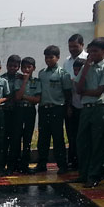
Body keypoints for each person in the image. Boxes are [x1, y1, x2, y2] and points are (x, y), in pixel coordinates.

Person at [75, 38, 104, 187]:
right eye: (90, 51)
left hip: (100, 107)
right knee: (82, 141)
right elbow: (78, 88)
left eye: (96, 51)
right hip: (86, 107)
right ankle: (83, 173)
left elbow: (99, 91)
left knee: (98, 142)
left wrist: (85, 92)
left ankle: (94, 175)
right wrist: (85, 68)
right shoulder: (87, 67)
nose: (92, 54)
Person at [36, 45, 73, 173]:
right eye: (46, 57)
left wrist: (68, 107)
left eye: (51, 57)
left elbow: (68, 93)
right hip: (43, 108)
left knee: (58, 137)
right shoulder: (41, 73)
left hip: (57, 108)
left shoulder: (63, 74)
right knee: (43, 138)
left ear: (57, 57)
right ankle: (42, 164)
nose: (48, 60)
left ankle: (62, 165)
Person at [64, 34, 89, 169]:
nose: (72, 49)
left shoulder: (88, 59)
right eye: (70, 46)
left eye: (75, 46)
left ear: (82, 45)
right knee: (72, 134)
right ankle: (73, 161)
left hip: (86, 103)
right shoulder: (67, 61)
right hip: (72, 103)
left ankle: (83, 162)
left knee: (84, 135)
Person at [15, 57, 42, 173]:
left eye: (29, 67)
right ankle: (15, 164)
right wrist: (25, 81)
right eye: (24, 67)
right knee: (17, 136)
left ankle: (25, 164)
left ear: (34, 68)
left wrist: (24, 97)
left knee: (28, 137)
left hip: (30, 110)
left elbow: (37, 99)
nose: (26, 70)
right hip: (19, 110)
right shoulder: (18, 80)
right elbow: (17, 97)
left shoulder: (36, 82)